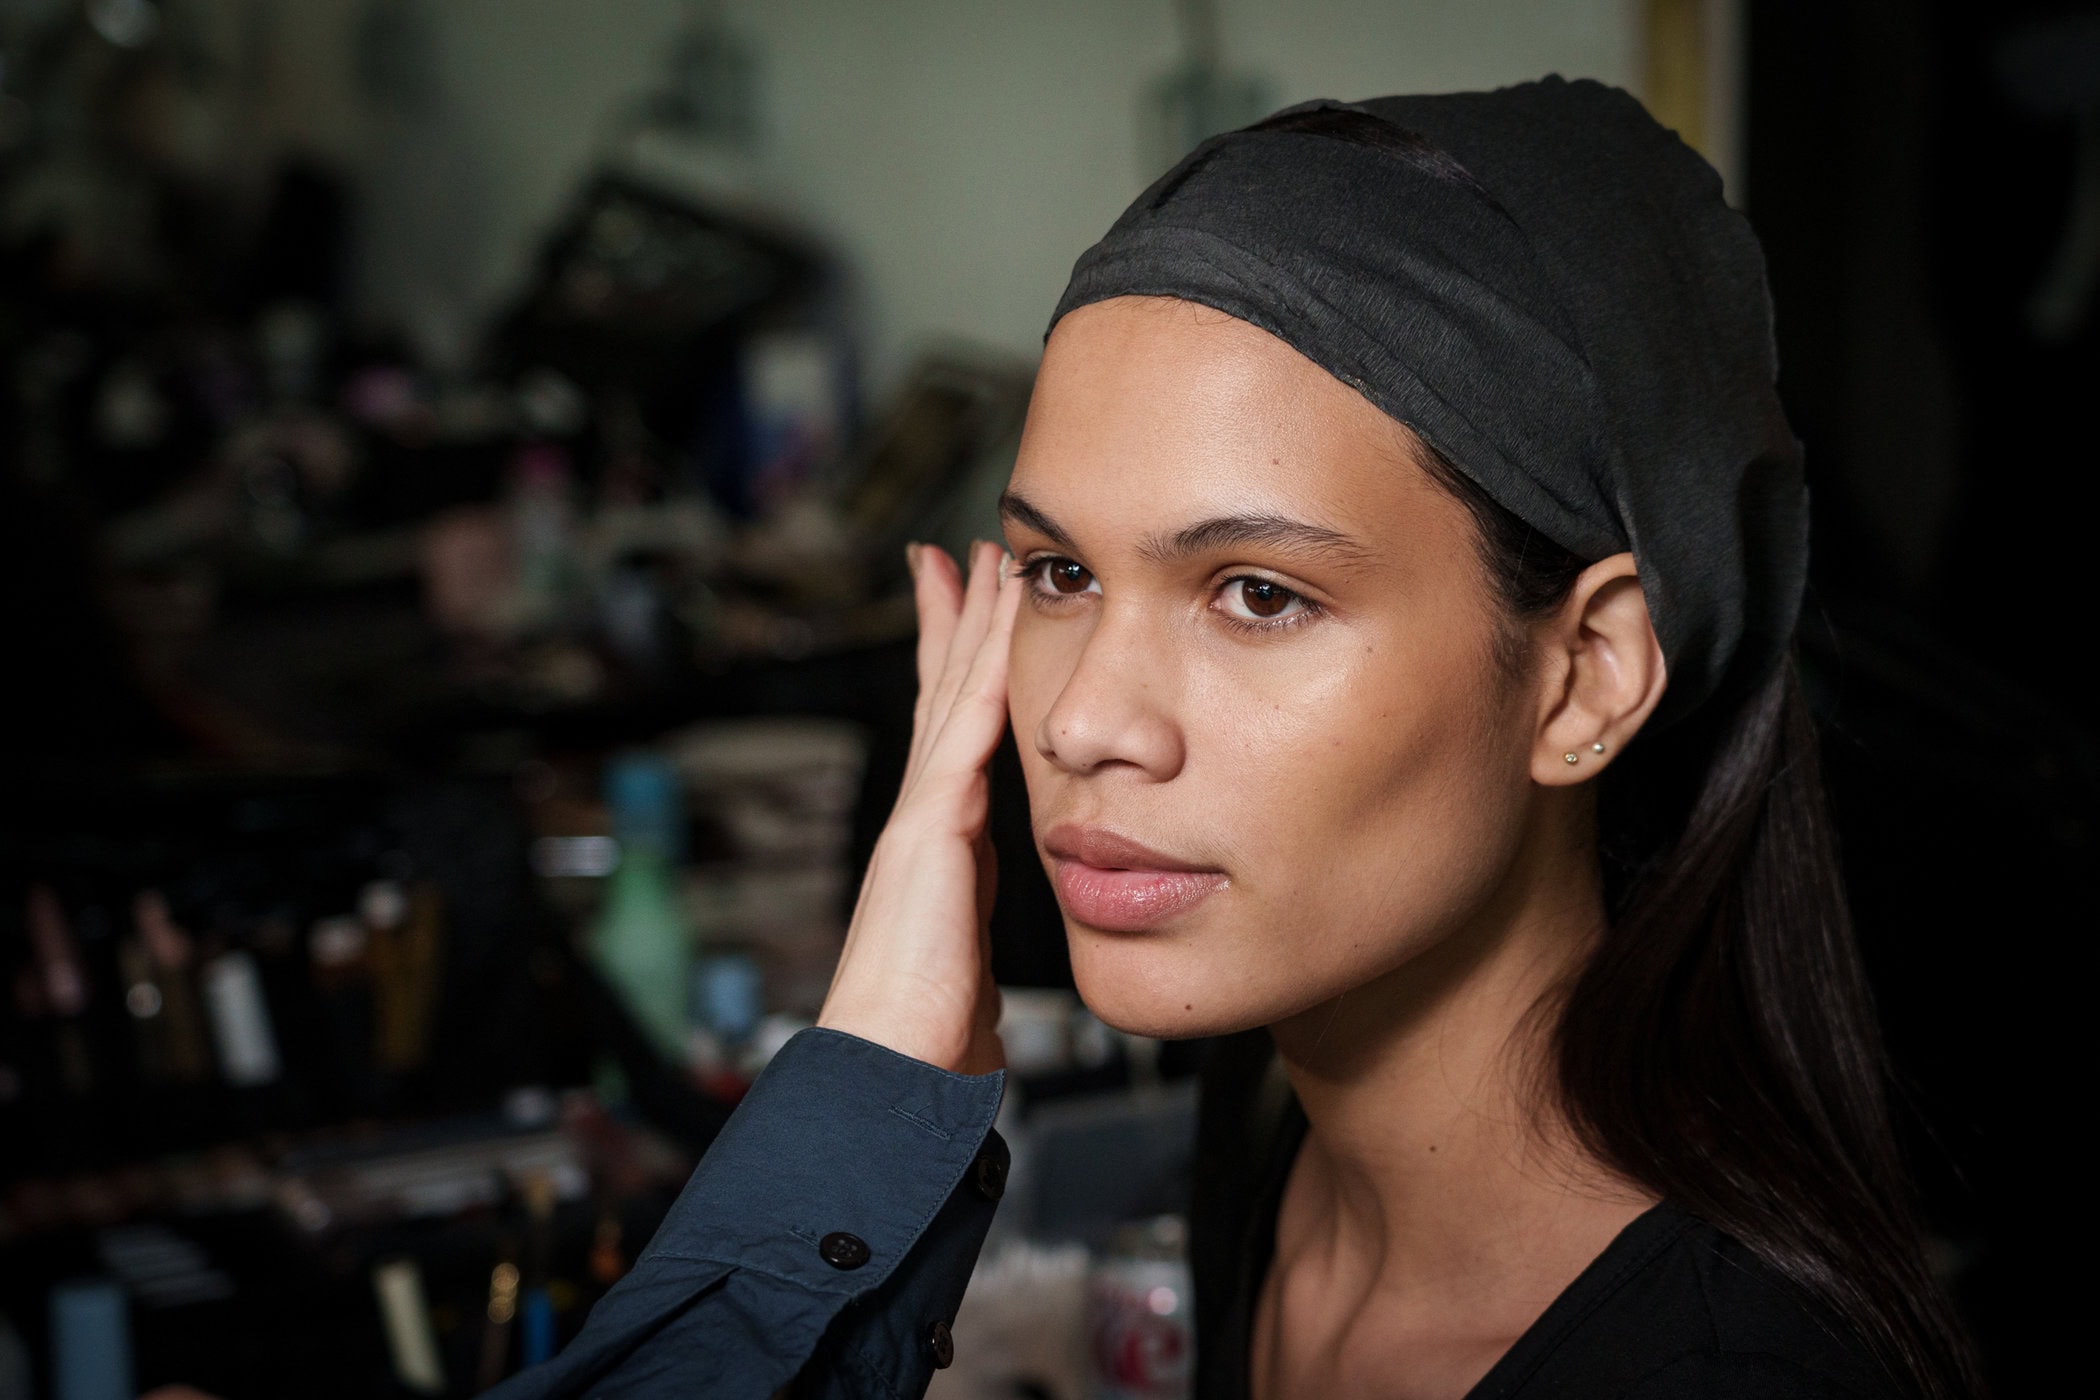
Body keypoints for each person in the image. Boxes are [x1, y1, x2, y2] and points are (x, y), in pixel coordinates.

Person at [491, 79, 1980, 1399]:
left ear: (1586, 675)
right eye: (1061, 575)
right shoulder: (1271, 1148)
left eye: (1257, 594)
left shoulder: (1723, 1372)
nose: (1080, 721)